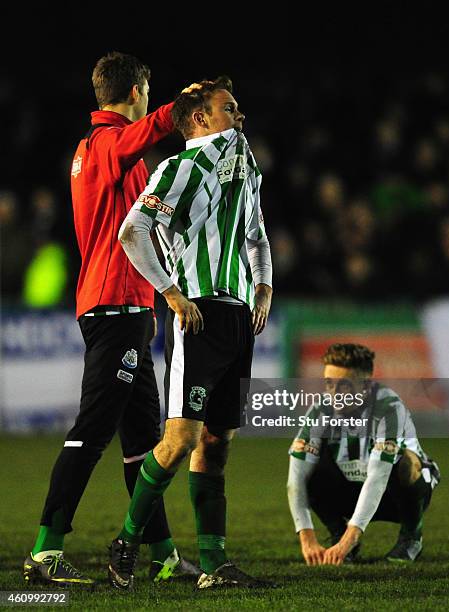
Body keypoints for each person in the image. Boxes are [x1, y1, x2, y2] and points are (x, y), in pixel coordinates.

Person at [23, 51, 200, 587]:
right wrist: (182, 108)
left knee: (143, 439)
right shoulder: (104, 145)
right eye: (148, 92)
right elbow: (139, 136)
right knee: (92, 430)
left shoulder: (98, 152)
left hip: (128, 308)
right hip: (114, 307)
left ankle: (163, 553)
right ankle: (45, 551)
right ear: (136, 92)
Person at [107, 75, 274, 590]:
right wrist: (172, 292)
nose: (239, 115)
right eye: (229, 107)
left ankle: (214, 565)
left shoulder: (243, 170)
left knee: (218, 441)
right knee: (180, 439)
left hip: (236, 316)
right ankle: (126, 544)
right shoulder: (179, 168)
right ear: (201, 119)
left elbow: (256, 234)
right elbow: (131, 231)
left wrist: (263, 286)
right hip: (195, 314)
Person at [287, 343, 440, 566]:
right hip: (351, 488)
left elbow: (378, 476)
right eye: (329, 383)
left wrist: (353, 535)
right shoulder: (320, 410)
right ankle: (337, 533)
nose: (335, 394)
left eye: (344, 386)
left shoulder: (388, 407)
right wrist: (306, 536)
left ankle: (411, 539)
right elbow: (296, 477)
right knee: (308, 466)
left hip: (393, 493)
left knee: (407, 462)